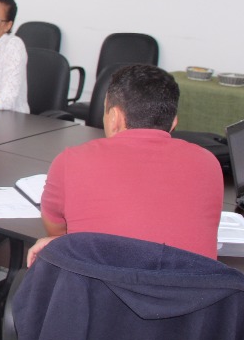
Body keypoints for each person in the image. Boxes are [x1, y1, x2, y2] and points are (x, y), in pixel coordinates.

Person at [29, 64, 223, 264]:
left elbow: (59, 233)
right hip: (187, 293)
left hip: (97, 292)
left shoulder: (71, 161)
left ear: (114, 117)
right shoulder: (208, 163)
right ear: (174, 122)